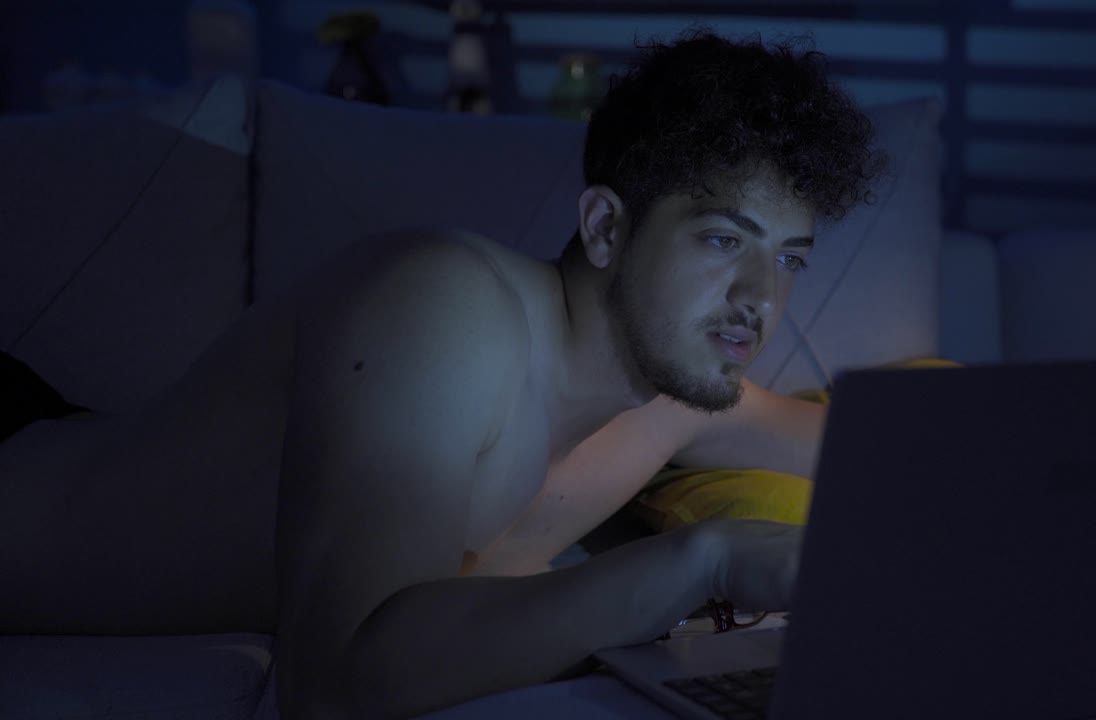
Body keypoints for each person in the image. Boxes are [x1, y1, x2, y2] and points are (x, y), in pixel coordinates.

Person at [0, 28, 884, 719]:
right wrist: (706, 559)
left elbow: (897, 449)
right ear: (606, 228)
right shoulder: (446, 306)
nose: (761, 298)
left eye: (790, 259)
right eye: (723, 240)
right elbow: (332, 684)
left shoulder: (680, 394)